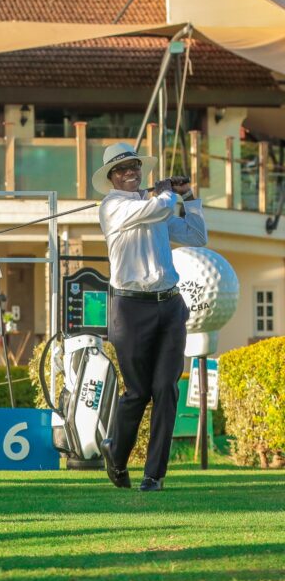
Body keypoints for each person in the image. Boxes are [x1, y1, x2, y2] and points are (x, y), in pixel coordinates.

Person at [93, 142, 207, 492]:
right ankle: (116, 453)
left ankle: (153, 475)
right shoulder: (112, 206)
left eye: (135, 167)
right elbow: (157, 210)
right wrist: (167, 193)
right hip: (130, 308)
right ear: (112, 178)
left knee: (166, 389)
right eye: (123, 169)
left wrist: (188, 198)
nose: (131, 172)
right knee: (138, 392)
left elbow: (197, 236)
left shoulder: (153, 203)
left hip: (170, 305)